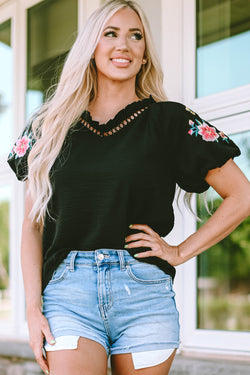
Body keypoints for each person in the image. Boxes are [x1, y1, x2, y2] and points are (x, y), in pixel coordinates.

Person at [7, 0, 250, 374]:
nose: (124, 45)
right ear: (91, 47)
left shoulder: (170, 122)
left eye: (135, 36)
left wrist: (180, 251)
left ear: (144, 55)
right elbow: (32, 225)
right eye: (110, 34)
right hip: (68, 296)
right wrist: (32, 309)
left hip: (144, 296)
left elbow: (242, 195)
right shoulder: (48, 126)